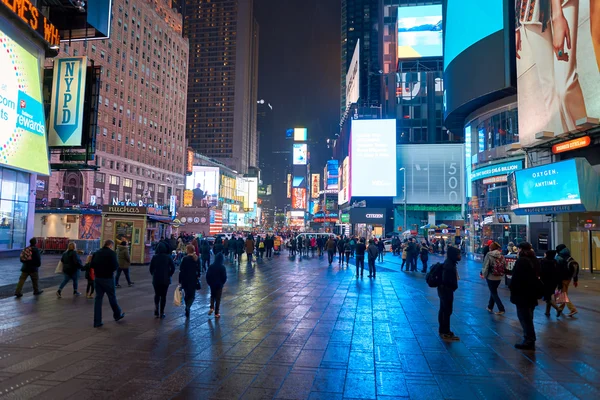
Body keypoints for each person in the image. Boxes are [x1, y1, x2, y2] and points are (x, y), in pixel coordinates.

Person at [509, 242, 541, 350]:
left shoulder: (522, 260)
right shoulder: (535, 259)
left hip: (522, 293)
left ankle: (529, 340)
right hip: (532, 292)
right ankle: (529, 338)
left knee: (524, 317)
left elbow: (516, 278)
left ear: (521, 249)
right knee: (529, 316)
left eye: (518, 249)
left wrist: (512, 288)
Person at [91, 240, 125, 328]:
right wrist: (109, 271)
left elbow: (92, 265)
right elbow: (115, 266)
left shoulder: (97, 253)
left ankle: (97, 321)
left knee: (98, 299)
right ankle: (117, 314)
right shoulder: (112, 253)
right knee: (112, 297)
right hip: (108, 278)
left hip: (98, 278)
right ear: (110, 245)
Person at [438, 247, 461, 341]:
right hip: (446, 291)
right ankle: (445, 332)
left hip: (444, 290)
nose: (460, 256)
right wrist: (453, 286)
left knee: (444, 310)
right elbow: (446, 280)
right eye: (458, 254)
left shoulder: (449, 263)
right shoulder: (449, 265)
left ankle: (443, 330)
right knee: (446, 311)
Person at [149, 241, 175, 319]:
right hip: (165, 279)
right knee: (163, 296)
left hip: (156, 279)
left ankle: (156, 309)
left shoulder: (155, 257)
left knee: (157, 294)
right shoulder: (168, 257)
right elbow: (173, 268)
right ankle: (162, 312)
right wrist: (169, 274)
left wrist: (154, 274)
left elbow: (151, 268)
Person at [480, 242, 506, 315]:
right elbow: (504, 265)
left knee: (494, 292)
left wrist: (483, 275)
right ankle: (490, 307)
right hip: (499, 277)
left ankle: (501, 308)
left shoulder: (489, 255)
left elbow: (486, 266)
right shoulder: (501, 255)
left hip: (491, 276)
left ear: (491, 248)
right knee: (493, 291)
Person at [555, 244, 579, 317]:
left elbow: (557, 271)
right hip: (568, 278)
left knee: (563, 294)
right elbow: (575, 269)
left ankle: (573, 309)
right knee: (564, 293)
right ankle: (560, 308)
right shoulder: (569, 257)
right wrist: (575, 280)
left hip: (562, 279)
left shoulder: (559, 257)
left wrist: (558, 282)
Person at [179, 244, 201, 318]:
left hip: (185, 279)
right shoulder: (196, 258)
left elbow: (181, 270)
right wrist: (198, 276)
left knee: (186, 294)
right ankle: (188, 306)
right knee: (192, 295)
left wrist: (180, 280)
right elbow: (199, 270)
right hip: (193, 280)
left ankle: (187, 306)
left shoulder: (185, 259)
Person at [206, 252, 227, 318]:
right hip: (219, 284)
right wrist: (222, 283)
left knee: (212, 295)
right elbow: (224, 277)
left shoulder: (211, 266)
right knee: (218, 298)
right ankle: (216, 313)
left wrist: (209, 283)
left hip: (212, 284)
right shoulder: (222, 267)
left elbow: (207, 276)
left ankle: (212, 307)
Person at [540, 250, 560, 317]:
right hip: (554, 282)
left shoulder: (543, 262)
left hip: (545, 282)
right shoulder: (555, 262)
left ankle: (557, 308)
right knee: (548, 296)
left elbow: (541, 272)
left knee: (547, 298)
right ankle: (547, 312)